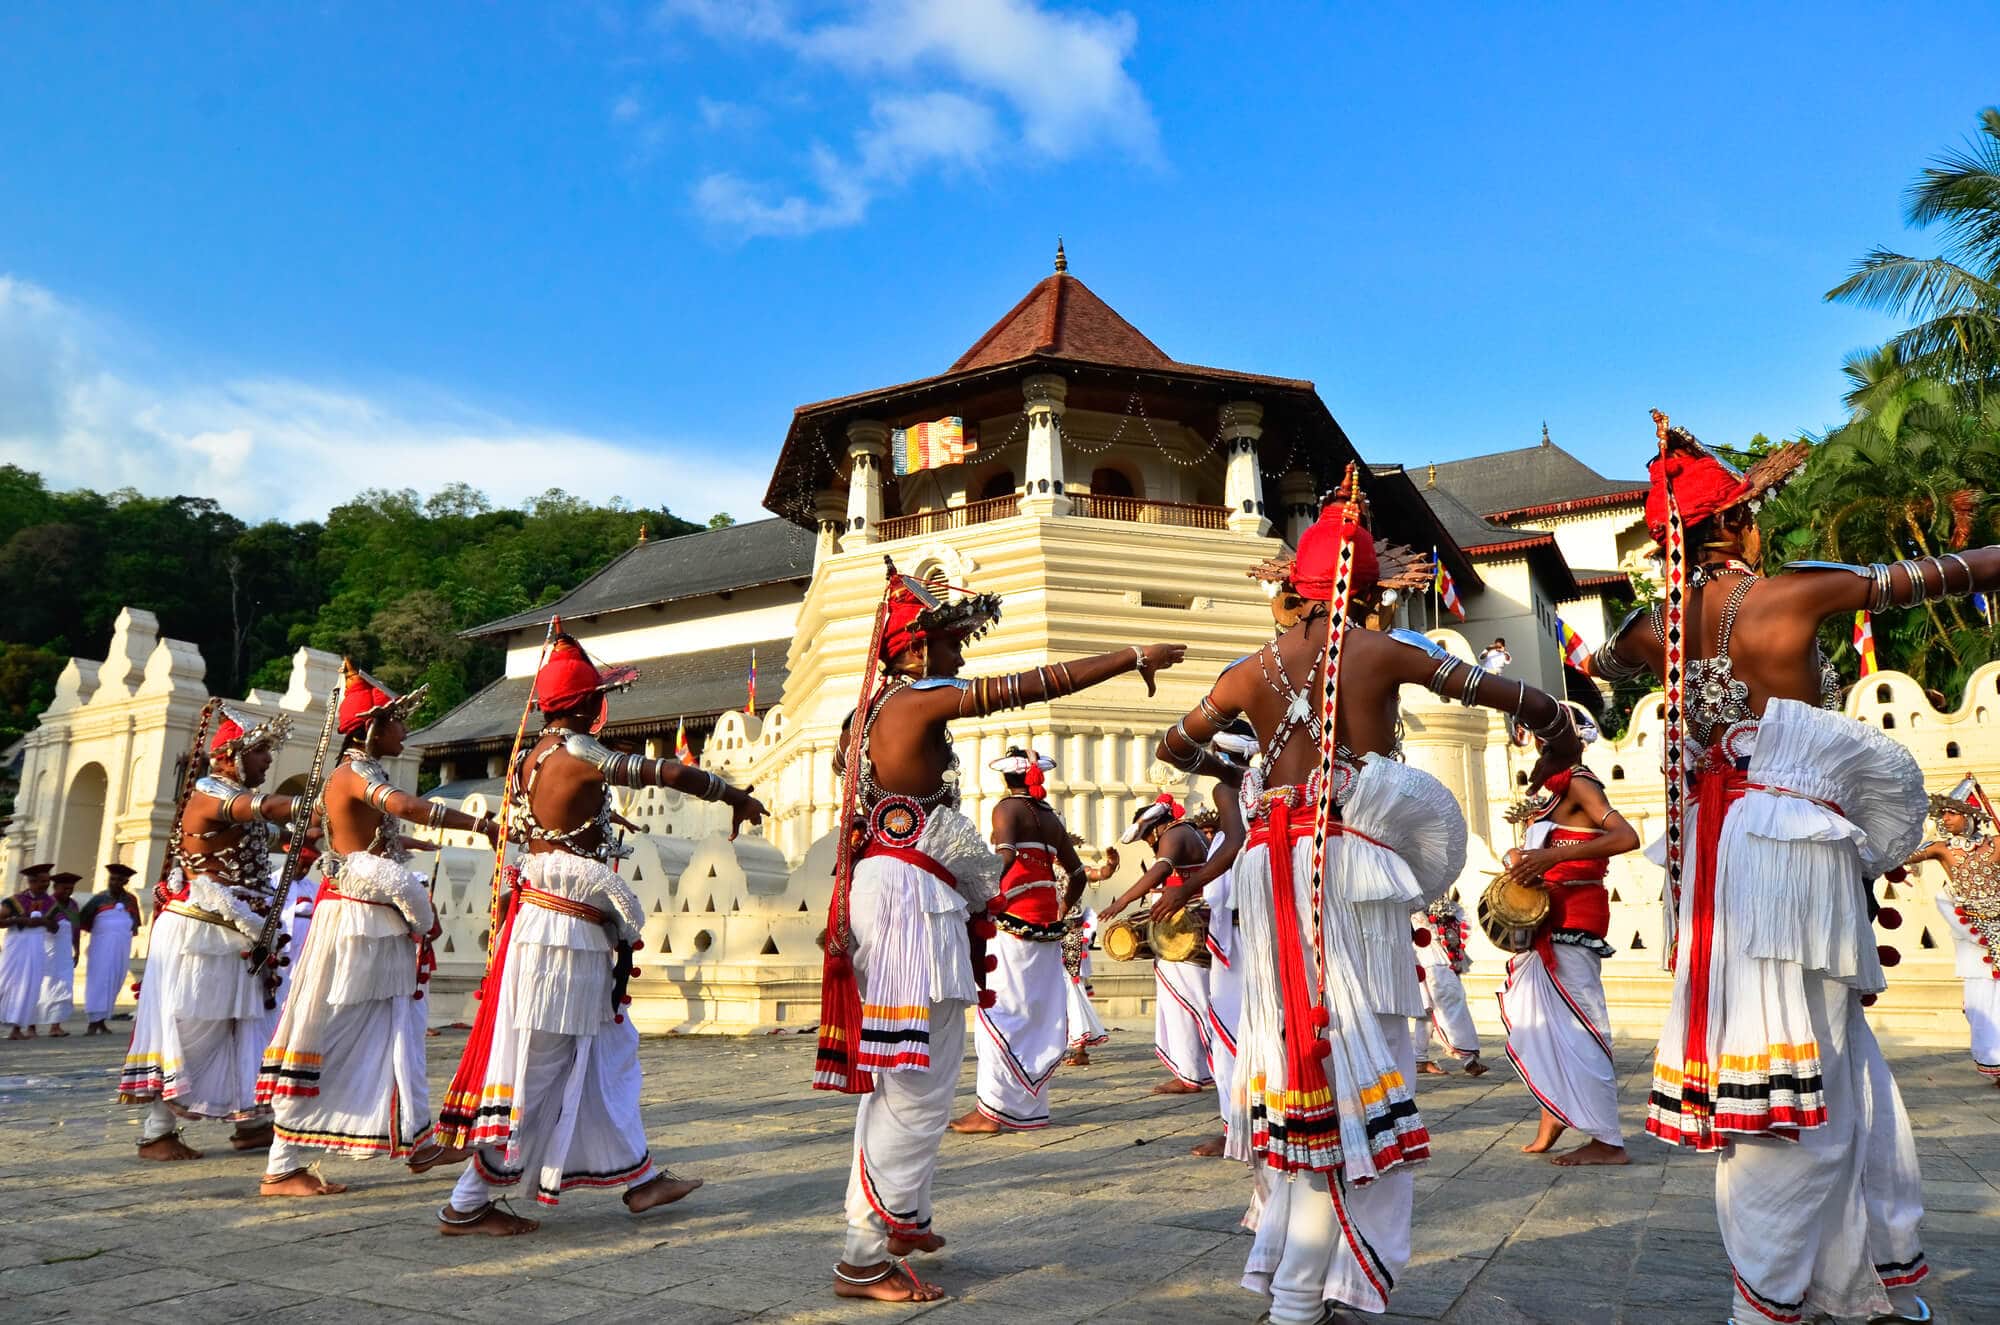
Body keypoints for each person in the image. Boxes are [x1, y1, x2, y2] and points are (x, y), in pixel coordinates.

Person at [1155, 481, 1581, 1323]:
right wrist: (1556, 721)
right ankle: (1330, 1279)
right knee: (1363, 1042)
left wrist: (1249, 773)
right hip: (1347, 859)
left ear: (1299, 587)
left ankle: (1298, 1275)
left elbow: (1175, 741)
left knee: (1293, 1042)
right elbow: (1502, 694)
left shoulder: (1249, 670)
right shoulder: (1380, 651)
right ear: (1362, 589)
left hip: (1273, 868)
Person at [1590, 412, 1950, 1325]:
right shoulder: (1789, 596)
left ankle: (1834, 1283)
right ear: (1740, 527)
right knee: (1812, 1078)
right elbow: (1929, 577)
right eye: (1755, 512)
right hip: (1794, 853)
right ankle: (1774, 1298)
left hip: (1723, 856)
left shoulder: (1658, 626)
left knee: (1789, 1063)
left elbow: (1598, 656)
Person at [815, 566, 1183, 1304]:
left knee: (906, 1073)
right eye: (948, 642)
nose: (958, 656)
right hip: (906, 905)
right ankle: (862, 1254)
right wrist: (1127, 655)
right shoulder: (916, 698)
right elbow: (1029, 684)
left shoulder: (868, 712)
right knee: (916, 1084)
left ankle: (902, 1215)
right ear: (914, 650)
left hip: (897, 894)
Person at [436, 626, 764, 1236]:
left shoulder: (532, 756)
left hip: (561, 931)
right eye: (599, 700)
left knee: (608, 1054)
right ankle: (467, 1201)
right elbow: (663, 771)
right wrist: (732, 794)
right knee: (539, 1069)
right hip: (559, 941)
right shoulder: (580, 755)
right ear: (589, 706)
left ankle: (638, 1180)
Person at [257, 661, 502, 1197]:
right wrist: (479, 823)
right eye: (396, 722)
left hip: (375, 924)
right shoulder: (358, 774)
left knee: (398, 1034)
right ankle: (282, 1164)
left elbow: (372, 838)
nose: (405, 732)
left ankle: (413, 1138)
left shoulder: (362, 772)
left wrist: (413, 848)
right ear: (370, 727)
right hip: (360, 925)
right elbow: (409, 809)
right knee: (334, 1036)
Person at [120, 705, 299, 1161]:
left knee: (244, 1026)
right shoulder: (210, 794)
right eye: (259, 752)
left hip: (238, 934)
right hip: (203, 933)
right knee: (194, 1027)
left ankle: (252, 1121)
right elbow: (257, 808)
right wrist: (309, 801)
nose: (266, 762)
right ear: (228, 755)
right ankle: (156, 1131)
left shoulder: (231, 792)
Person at [1496, 702, 1639, 1164]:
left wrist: (1551, 860)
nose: (1535, 742)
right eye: (1533, 733)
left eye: (1543, 734)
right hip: (1546, 917)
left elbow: (1625, 837)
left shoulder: (1580, 780)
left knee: (1580, 1024)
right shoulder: (1554, 794)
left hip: (1576, 914)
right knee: (1539, 1021)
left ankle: (1607, 1140)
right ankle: (1555, 1110)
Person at [949, 748, 1093, 1134]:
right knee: (1033, 1013)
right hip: (1046, 924)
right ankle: (1028, 1108)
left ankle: (991, 1112)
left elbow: (1007, 858)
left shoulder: (1006, 810)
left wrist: (977, 893)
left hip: (1011, 919)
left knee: (999, 1010)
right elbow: (1077, 874)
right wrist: (1061, 906)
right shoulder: (1050, 817)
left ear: (1005, 779)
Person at [1101, 795, 1215, 1095]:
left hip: (1181, 932)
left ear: (1156, 826)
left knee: (1184, 1004)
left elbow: (1161, 870)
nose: (1150, 845)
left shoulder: (1174, 834)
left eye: (1147, 838)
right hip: (1190, 926)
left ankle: (1190, 1074)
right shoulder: (1190, 832)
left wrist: (1122, 901)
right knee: (1198, 1001)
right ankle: (1201, 1069)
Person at [1906, 776, 2000, 1087]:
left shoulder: (1995, 844)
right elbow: (1905, 856)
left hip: (1998, 924)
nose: (1945, 819)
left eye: (1951, 813)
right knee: (1979, 1000)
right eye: (1943, 814)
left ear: (1971, 815)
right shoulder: (1942, 849)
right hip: (1970, 931)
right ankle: (1992, 1059)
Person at [1412, 893, 1485, 1077]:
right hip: (1427, 958)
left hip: (1443, 956)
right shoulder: (1413, 899)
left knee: (1430, 1012)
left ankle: (1420, 1059)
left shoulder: (1447, 903)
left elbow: (1459, 923)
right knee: (1446, 1006)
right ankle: (1467, 1058)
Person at [79, 863, 144, 1033]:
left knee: (115, 979)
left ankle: (102, 1020)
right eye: (112, 879)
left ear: (125, 881)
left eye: (118, 879)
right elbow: (83, 920)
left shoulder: (131, 900)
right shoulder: (100, 898)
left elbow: (135, 926)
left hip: (121, 947)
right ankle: (93, 1021)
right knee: (98, 981)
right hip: (101, 946)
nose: (113, 882)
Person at [0, 863, 57, 1038]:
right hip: (16, 945)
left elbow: (55, 928)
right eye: (42, 881)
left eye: (47, 881)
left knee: (29, 986)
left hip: (36, 946)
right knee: (6, 982)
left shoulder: (51, 902)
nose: (46, 885)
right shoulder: (15, 900)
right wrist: (20, 920)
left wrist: (44, 922)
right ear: (31, 882)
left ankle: (16, 1029)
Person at [37, 871, 82, 1036]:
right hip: (47, 950)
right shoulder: (47, 903)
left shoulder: (73, 905)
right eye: (64, 889)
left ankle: (55, 1026)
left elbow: (75, 929)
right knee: (43, 985)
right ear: (55, 887)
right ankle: (32, 1026)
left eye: (70, 889)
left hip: (64, 952)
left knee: (63, 986)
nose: (67, 892)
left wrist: (77, 950)